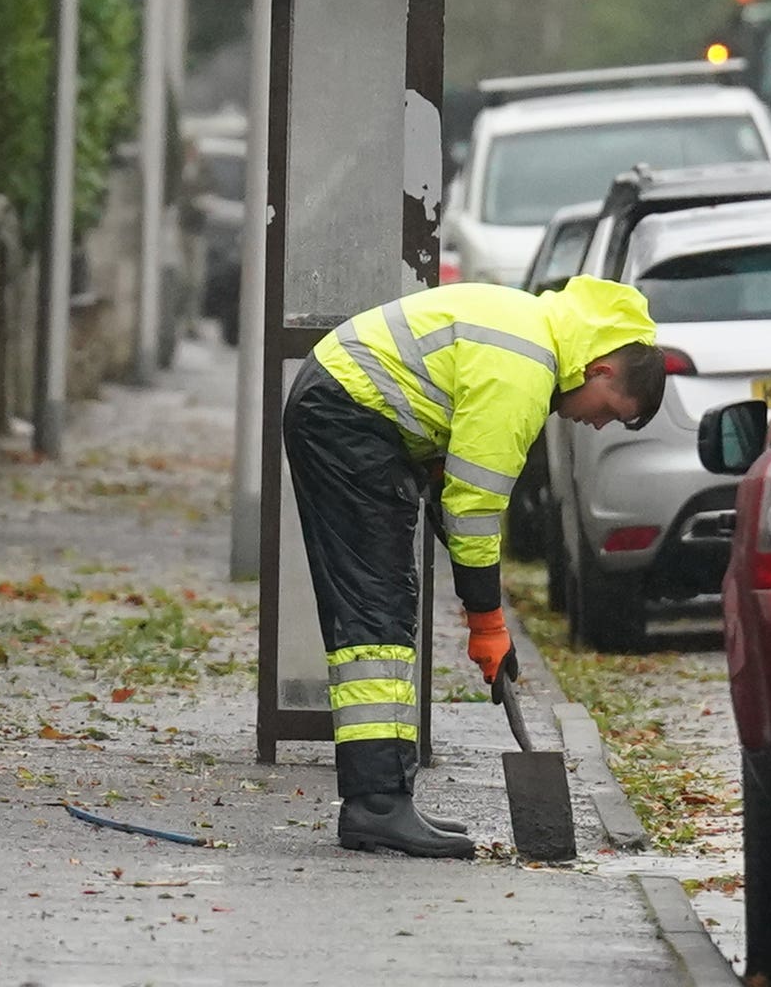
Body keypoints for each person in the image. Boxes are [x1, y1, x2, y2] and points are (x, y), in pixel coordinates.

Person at [282, 276, 665, 856]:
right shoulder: (525, 366)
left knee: (384, 603)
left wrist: (483, 605)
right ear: (602, 370)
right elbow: (476, 506)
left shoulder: (531, 334)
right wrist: (486, 620)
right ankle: (377, 805)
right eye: (608, 412)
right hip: (347, 416)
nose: (596, 424)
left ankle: (385, 797)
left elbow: (452, 481)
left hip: (352, 414)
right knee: (375, 608)